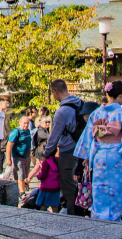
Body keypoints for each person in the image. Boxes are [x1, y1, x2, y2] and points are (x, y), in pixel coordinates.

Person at [74, 81, 122, 222]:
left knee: (100, 190)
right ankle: (115, 220)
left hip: (99, 156)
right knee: (117, 191)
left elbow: (88, 137)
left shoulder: (96, 113)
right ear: (121, 95)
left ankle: (99, 220)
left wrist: (87, 157)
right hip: (117, 156)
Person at [44, 79, 85, 215]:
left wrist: (47, 153)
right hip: (82, 151)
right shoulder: (80, 103)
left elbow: (54, 137)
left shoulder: (62, 111)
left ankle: (73, 218)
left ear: (55, 91)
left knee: (69, 188)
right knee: (81, 187)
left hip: (68, 152)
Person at [5, 115, 32, 201]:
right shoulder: (16, 132)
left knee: (24, 175)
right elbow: (9, 145)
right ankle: (22, 192)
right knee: (20, 174)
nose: (26, 125)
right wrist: (8, 159)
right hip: (18, 157)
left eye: (27, 123)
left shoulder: (28, 131)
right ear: (20, 123)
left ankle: (17, 189)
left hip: (26, 156)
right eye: (24, 123)